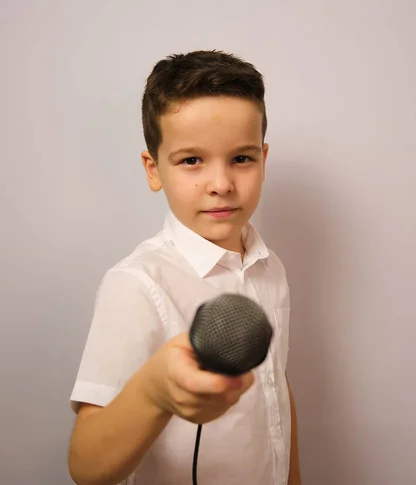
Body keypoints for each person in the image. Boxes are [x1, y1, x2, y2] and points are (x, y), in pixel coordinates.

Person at [67, 50, 301, 485]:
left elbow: (275, 391)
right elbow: (85, 466)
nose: (221, 184)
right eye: (192, 160)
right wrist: (155, 392)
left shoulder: (270, 268)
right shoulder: (136, 285)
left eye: (242, 158)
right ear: (153, 170)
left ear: (264, 159)